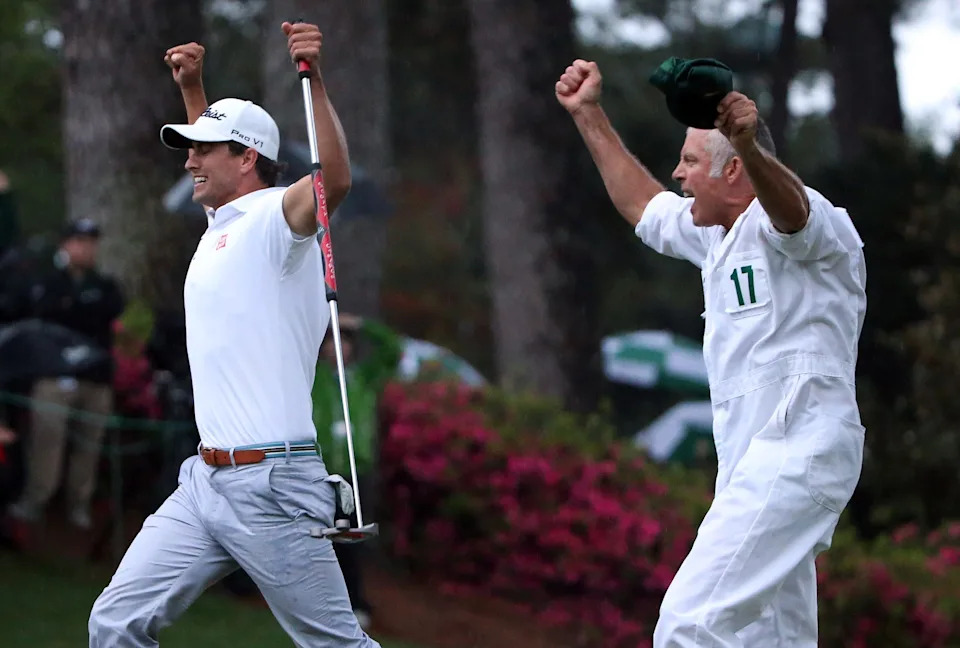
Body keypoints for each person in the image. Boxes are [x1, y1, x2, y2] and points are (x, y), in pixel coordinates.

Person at [88, 24, 380, 648]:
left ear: (248, 159)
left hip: (274, 485)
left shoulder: (278, 219)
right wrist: (194, 90)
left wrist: (315, 77)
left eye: (203, 148)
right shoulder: (221, 223)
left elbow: (336, 181)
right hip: (204, 483)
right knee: (114, 623)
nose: (188, 159)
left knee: (336, 644)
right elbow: (219, 183)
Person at [556, 59, 867, 647]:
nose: (677, 172)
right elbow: (642, 207)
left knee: (688, 625)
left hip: (798, 449)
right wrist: (589, 114)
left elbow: (791, 213)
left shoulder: (813, 222)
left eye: (691, 162)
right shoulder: (715, 235)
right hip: (756, 465)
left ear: (734, 172)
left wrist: (751, 145)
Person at [7, 217, 124, 530]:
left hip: (94, 380)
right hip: (53, 376)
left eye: (91, 243)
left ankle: (78, 509)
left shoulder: (105, 286)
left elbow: (106, 313)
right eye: (79, 242)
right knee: (47, 443)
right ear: (65, 245)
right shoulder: (46, 283)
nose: (86, 249)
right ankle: (35, 502)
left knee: (88, 448)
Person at [312, 313, 403, 629]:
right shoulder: (314, 379)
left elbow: (393, 350)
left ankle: (354, 601)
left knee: (350, 537)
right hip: (323, 471)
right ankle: (321, 603)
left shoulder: (364, 378)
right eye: (330, 343)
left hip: (354, 471)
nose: (337, 349)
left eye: (344, 342)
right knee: (320, 537)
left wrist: (362, 325)